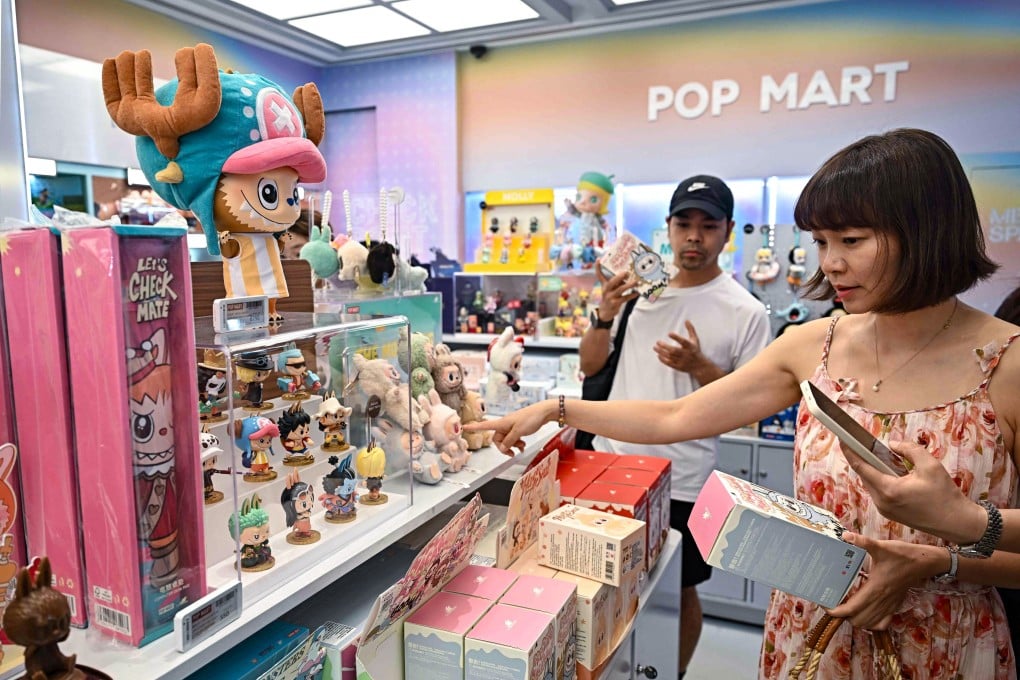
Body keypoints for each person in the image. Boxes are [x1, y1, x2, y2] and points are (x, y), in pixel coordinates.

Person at [468, 128, 1020, 679]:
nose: (830, 264)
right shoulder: (816, 343)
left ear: (927, 231)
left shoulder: (1005, 363)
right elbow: (677, 415)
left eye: (851, 240)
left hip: (942, 639)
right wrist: (557, 409)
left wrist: (960, 530)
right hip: (814, 629)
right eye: (822, 243)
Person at [579, 174, 770, 677]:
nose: (694, 236)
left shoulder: (745, 311)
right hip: (608, 460)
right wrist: (603, 314)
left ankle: (671, 672)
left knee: (678, 589)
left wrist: (700, 366)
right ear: (667, 227)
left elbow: (751, 406)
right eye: (684, 223)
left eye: (708, 226)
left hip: (681, 475)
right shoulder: (642, 293)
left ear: (727, 232)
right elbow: (591, 366)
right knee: (594, 582)